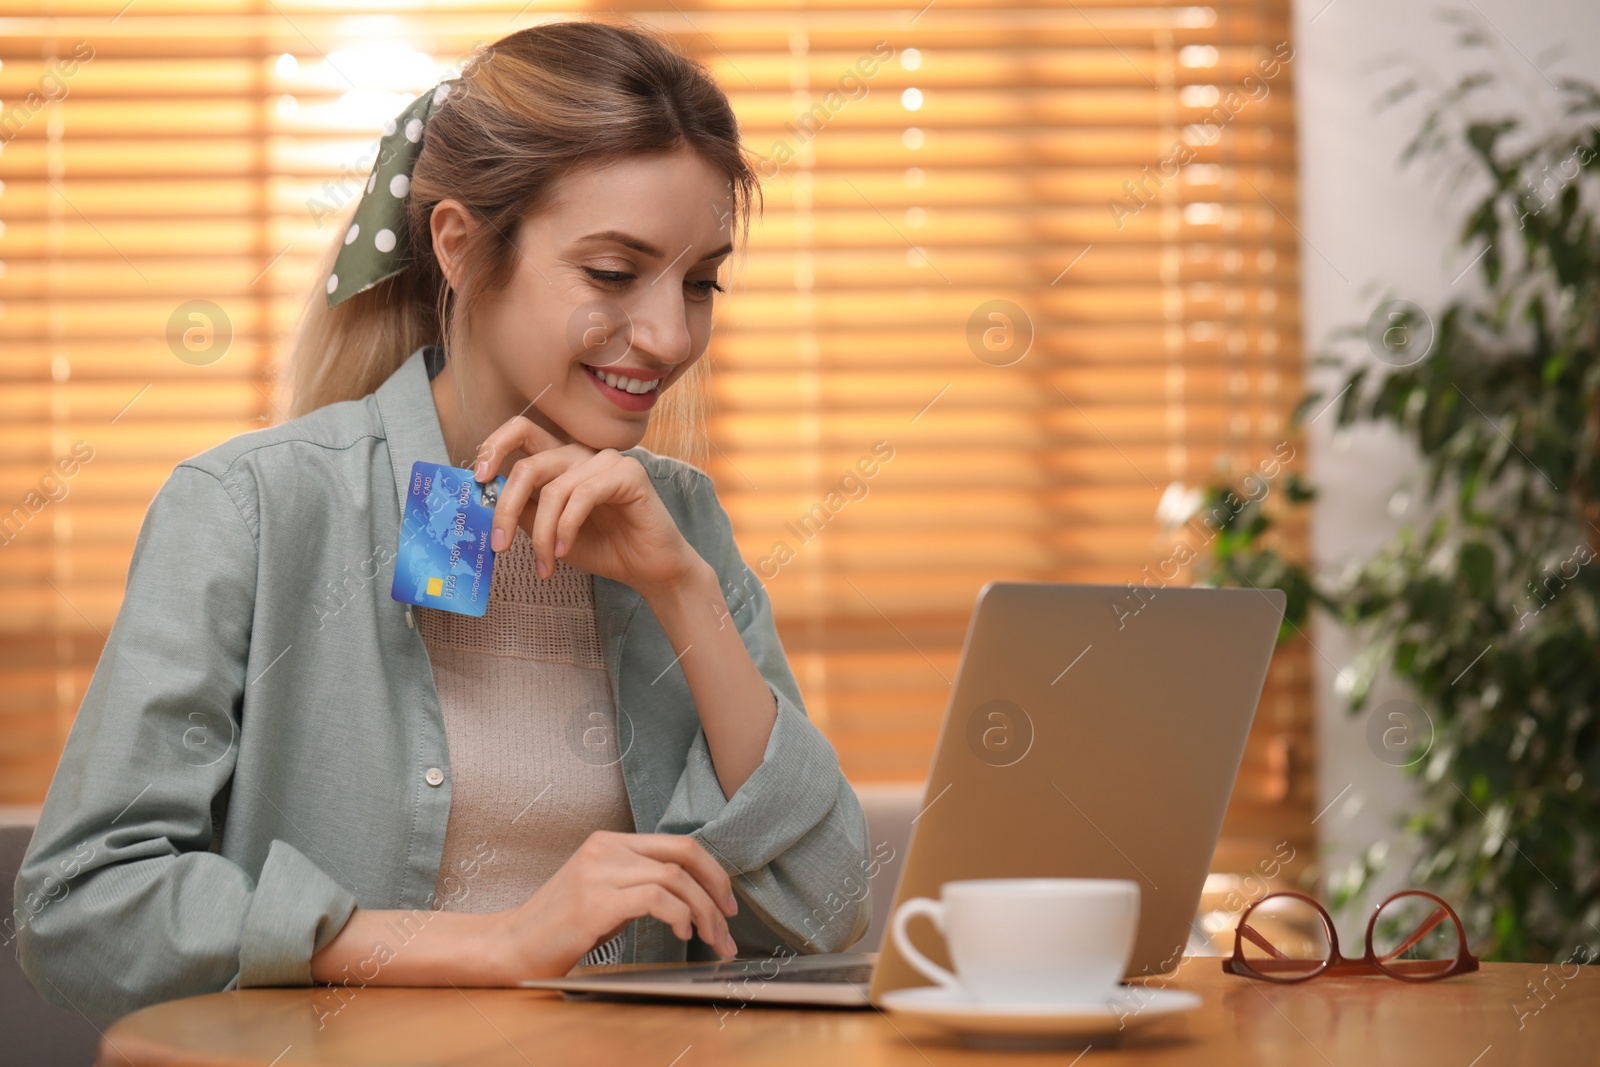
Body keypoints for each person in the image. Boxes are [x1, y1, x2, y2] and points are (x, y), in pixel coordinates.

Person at [15, 17, 873, 1023]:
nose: (670, 335)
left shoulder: (677, 522)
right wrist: (494, 942)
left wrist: (683, 590)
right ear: (461, 247)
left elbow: (830, 904)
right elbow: (77, 908)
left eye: (698, 282)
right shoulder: (255, 509)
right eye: (610, 272)